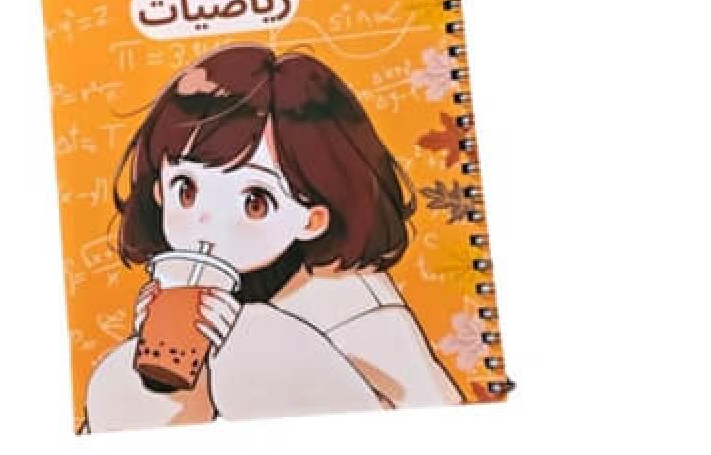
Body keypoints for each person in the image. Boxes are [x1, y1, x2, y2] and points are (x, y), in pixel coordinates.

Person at [86, 45, 462, 430]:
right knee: (125, 380)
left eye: (254, 202)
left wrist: (246, 339)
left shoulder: (354, 301)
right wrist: (160, 363)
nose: (207, 220)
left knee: (255, 340)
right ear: (159, 191)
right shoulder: (189, 286)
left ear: (312, 219)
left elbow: (434, 408)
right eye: (186, 189)